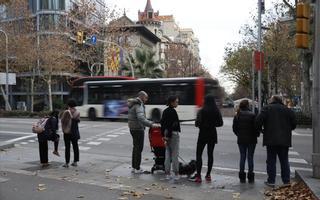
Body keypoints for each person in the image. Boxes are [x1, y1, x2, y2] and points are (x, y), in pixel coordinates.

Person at [256, 95, 296, 187]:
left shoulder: (267, 108)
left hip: (270, 139)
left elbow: (258, 121)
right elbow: (293, 124)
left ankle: (271, 181)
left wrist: (262, 130)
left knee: (271, 161)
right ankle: (286, 181)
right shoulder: (287, 110)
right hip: (284, 140)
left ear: (272, 100)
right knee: (284, 161)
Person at [189, 95, 223, 183]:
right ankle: (208, 175)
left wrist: (202, 124)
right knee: (210, 155)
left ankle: (199, 176)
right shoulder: (216, 111)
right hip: (212, 134)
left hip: (203, 134)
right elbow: (220, 123)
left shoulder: (202, 111)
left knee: (199, 154)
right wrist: (212, 124)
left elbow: (197, 123)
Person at [128, 91, 160, 174]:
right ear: (142, 97)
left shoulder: (133, 103)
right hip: (138, 128)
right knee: (139, 148)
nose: (146, 100)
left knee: (135, 148)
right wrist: (151, 124)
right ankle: (137, 168)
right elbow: (141, 118)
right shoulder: (138, 104)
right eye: (146, 98)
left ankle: (134, 167)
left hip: (132, 128)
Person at [232, 100, 259, 183]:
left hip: (241, 139)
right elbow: (256, 127)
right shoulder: (252, 115)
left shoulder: (237, 115)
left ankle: (242, 176)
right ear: (248, 106)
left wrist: (239, 135)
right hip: (252, 139)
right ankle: (250, 176)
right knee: (250, 157)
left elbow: (234, 128)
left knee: (242, 157)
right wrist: (256, 135)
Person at [160, 96, 181, 180]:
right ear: (172, 102)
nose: (177, 103)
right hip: (173, 135)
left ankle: (167, 173)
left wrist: (164, 136)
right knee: (175, 155)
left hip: (166, 134)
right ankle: (176, 173)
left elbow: (163, 124)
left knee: (168, 154)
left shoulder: (165, 111)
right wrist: (168, 136)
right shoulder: (173, 112)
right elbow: (172, 125)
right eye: (176, 102)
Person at [61, 99, 80, 168]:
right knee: (75, 147)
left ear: (68, 105)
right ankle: (75, 162)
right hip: (74, 132)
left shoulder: (67, 112)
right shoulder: (77, 112)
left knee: (67, 147)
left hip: (67, 132)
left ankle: (67, 163)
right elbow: (78, 121)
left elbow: (62, 120)